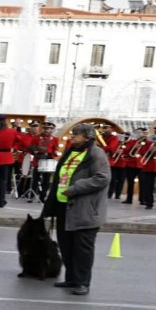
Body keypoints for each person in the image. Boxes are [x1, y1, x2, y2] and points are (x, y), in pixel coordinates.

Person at [42, 123, 109, 295]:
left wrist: (76, 188)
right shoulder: (70, 151)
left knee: (82, 248)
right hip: (64, 206)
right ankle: (71, 278)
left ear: (87, 137)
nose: (72, 136)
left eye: (76, 134)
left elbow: (102, 178)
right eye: (73, 133)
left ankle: (82, 282)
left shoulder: (96, 153)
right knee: (67, 246)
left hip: (84, 209)